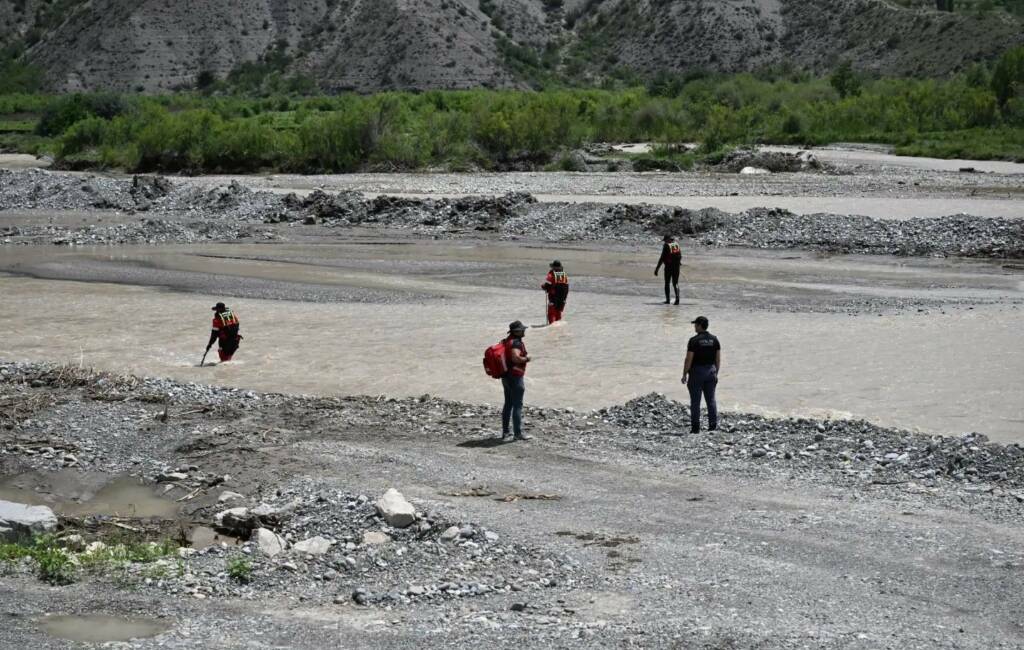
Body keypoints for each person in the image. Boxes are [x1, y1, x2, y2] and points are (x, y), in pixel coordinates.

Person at [681, 316, 720, 433]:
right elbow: (718, 359)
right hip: (711, 371)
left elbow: (688, 359)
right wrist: (716, 373)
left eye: (695, 324)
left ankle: (695, 428)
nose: (694, 326)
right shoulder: (715, 340)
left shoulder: (694, 341)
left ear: (699, 325)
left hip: (697, 372)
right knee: (711, 399)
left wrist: (684, 374)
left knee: (695, 401)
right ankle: (712, 426)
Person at [501, 320, 531, 441]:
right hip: (515, 377)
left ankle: (506, 432)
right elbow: (516, 358)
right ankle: (518, 433)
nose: (524, 331)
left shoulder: (506, 341)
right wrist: (527, 359)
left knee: (508, 404)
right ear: (517, 331)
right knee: (517, 405)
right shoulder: (516, 343)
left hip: (506, 376)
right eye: (522, 329)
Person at [654, 235, 682, 305]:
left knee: (667, 283)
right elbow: (679, 255)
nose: (665, 241)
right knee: (675, 283)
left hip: (668, 267)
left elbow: (662, 258)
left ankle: (668, 300)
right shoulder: (676, 244)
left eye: (665, 240)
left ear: (668, 239)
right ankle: (677, 299)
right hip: (676, 267)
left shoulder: (666, 245)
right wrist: (678, 264)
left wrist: (657, 269)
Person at [542, 260, 570, 324]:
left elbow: (547, 285)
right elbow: (566, 287)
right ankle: (558, 329)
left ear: (553, 267)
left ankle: (552, 329)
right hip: (562, 298)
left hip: (553, 297)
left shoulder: (551, 273)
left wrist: (543, 286)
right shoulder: (564, 274)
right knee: (558, 313)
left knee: (551, 314)